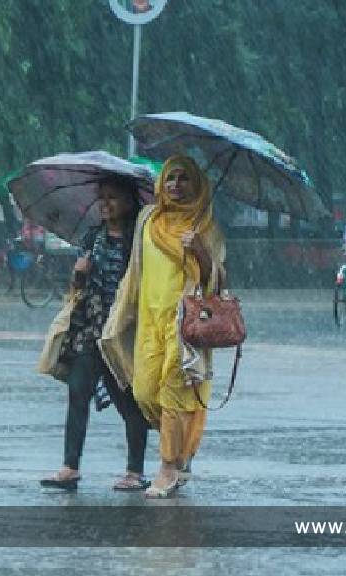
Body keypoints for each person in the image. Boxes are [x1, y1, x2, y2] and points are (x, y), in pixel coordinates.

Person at [99, 155, 226, 499]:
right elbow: (135, 271)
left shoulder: (205, 227)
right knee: (143, 392)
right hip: (148, 321)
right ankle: (181, 448)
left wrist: (200, 253)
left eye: (184, 179)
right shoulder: (148, 219)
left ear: (197, 185)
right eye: (170, 178)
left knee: (173, 391)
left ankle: (168, 467)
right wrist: (120, 315)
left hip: (184, 323)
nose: (175, 185)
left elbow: (217, 283)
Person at [37, 174, 150, 491]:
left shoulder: (139, 240)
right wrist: (78, 275)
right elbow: (76, 288)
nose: (105, 204)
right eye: (102, 197)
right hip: (90, 328)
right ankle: (70, 467)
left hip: (122, 331)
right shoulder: (93, 237)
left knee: (128, 399)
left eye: (112, 197)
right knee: (77, 393)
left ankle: (135, 470)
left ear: (128, 201)